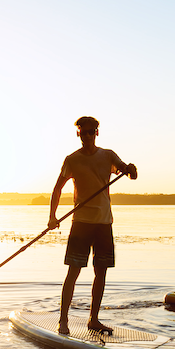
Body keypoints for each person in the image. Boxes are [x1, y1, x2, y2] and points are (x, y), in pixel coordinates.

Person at [48, 116, 137, 335]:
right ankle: (63, 321)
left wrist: (131, 169)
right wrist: (52, 216)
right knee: (73, 272)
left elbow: (130, 174)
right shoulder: (72, 160)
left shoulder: (108, 156)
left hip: (104, 223)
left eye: (91, 131)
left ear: (97, 132)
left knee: (101, 272)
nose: (87, 135)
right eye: (83, 132)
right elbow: (58, 188)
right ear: (78, 133)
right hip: (81, 223)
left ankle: (93, 319)